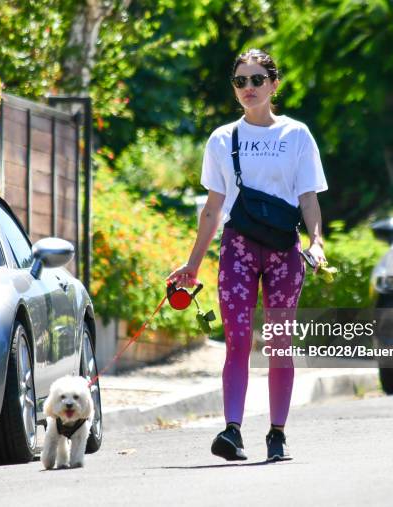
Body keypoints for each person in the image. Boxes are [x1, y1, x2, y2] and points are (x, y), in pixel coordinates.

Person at [167, 48, 328, 462]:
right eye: (241, 81)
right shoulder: (223, 138)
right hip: (237, 247)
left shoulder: (296, 135)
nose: (249, 88)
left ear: (274, 84)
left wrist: (317, 242)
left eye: (258, 80)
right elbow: (213, 207)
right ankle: (233, 431)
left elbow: (308, 197)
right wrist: (193, 262)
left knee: (278, 343)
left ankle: (277, 433)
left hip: (284, 251)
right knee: (237, 341)